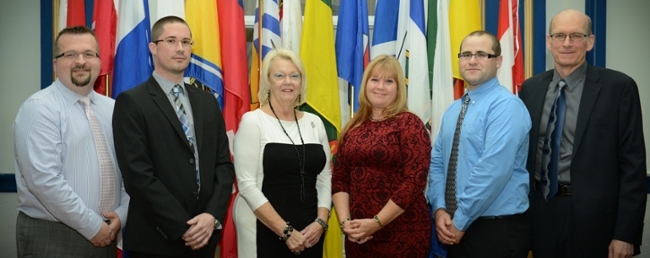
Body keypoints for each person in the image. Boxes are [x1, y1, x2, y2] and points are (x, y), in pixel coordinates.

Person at [519, 9, 646, 258]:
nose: (567, 43)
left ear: (590, 41)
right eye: (559, 36)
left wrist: (625, 234)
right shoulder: (530, 88)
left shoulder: (619, 88)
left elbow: (633, 166)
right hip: (541, 215)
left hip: (597, 222)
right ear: (548, 41)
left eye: (576, 35)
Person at [112, 16, 234, 257]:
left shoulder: (207, 101)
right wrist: (183, 227)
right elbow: (137, 175)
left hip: (204, 236)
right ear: (153, 48)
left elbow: (223, 166)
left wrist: (211, 217)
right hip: (155, 241)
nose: (181, 48)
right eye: (171, 41)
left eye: (186, 42)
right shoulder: (132, 102)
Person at [13, 26, 129, 257]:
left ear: (99, 61)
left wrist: (122, 214)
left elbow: (129, 169)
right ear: (55, 64)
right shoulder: (40, 108)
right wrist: (93, 227)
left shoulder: (114, 108)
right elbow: (44, 180)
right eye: (70, 54)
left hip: (108, 231)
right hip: (54, 236)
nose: (81, 61)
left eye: (88, 54)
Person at [427, 31, 531, 258]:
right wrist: (440, 208)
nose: (472, 60)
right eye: (466, 54)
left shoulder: (507, 107)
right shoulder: (453, 110)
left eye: (482, 54)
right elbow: (437, 164)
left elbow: (492, 170)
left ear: (498, 61)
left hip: (495, 231)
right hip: (453, 225)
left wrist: (460, 220)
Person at [233, 48, 332, 257]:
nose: (288, 81)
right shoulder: (253, 121)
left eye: (294, 76)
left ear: (301, 82)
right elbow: (246, 185)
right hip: (265, 229)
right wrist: (285, 232)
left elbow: (325, 177)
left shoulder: (315, 123)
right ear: (268, 82)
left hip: (310, 232)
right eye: (279, 75)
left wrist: (321, 222)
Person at [332, 54, 432, 257]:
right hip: (359, 236)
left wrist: (377, 222)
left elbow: (414, 181)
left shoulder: (409, 124)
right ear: (366, 83)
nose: (380, 87)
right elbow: (340, 179)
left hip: (403, 234)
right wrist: (346, 224)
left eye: (389, 81)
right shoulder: (353, 127)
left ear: (398, 88)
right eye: (374, 80)